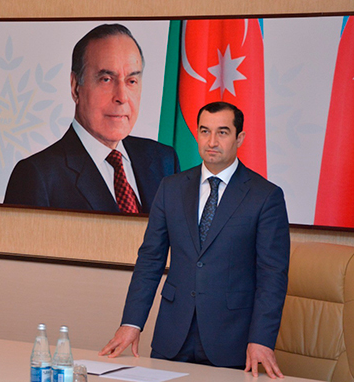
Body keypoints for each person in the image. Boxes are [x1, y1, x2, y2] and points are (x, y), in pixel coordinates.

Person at [99, 101, 290, 379]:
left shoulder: (265, 196)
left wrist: (261, 339)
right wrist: (132, 323)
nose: (212, 142)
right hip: (172, 336)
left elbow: (272, 276)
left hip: (232, 341)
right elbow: (150, 260)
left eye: (222, 132)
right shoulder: (171, 188)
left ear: (240, 138)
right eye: (204, 131)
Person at [3, 24, 179, 214]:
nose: (122, 97)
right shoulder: (37, 177)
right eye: (106, 79)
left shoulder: (164, 161)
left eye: (131, 81)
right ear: (75, 87)